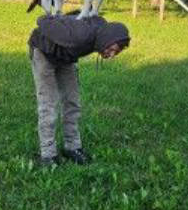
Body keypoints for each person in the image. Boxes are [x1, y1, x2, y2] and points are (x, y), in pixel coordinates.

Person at [28, 12, 130, 166]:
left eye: (116, 52)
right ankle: (48, 154)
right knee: (48, 105)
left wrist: (64, 18)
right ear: (108, 38)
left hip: (66, 56)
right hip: (44, 51)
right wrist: (49, 16)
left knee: (72, 102)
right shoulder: (80, 36)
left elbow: (78, 14)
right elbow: (43, 22)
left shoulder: (99, 27)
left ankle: (72, 147)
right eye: (112, 49)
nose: (112, 55)